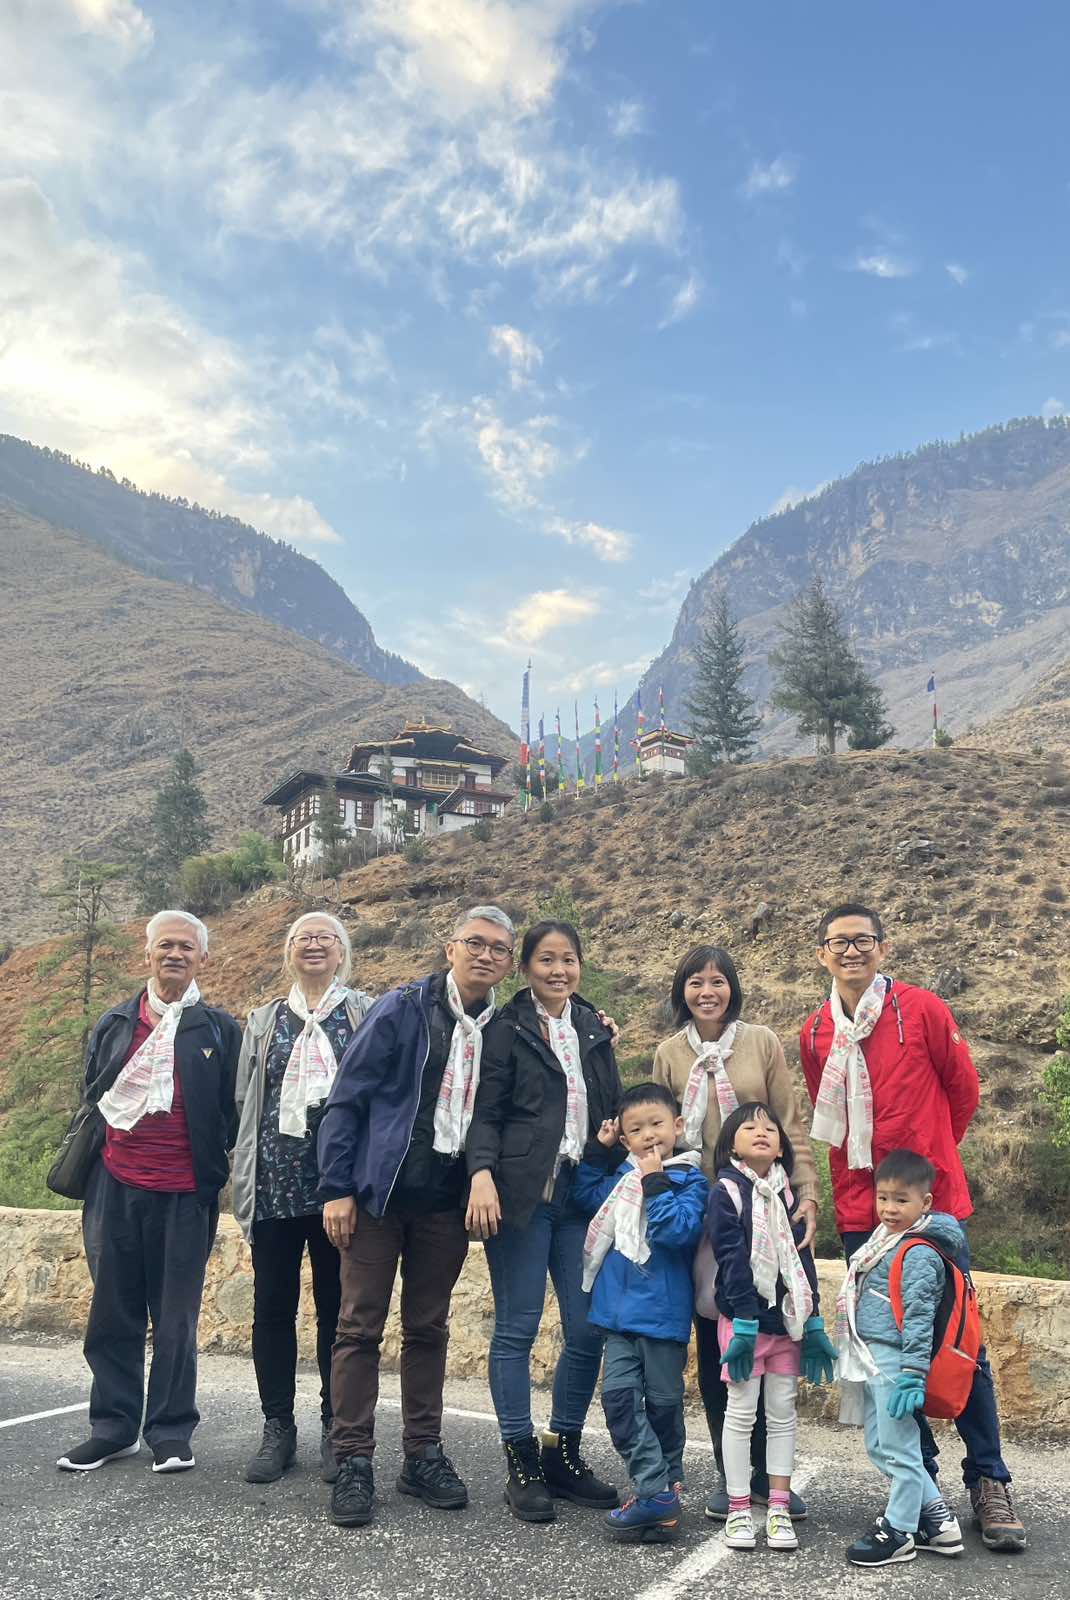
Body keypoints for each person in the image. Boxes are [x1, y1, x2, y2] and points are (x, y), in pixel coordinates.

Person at [800, 902, 1026, 1552]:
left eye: (862, 940)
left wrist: (927, 1163)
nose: (851, 951)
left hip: (933, 1206)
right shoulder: (815, 1031)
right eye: (838, 942)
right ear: (821, 954)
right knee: (886, 1349)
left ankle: (989, 1479)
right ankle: (922, 1490)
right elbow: (825, 1108)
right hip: (860, 1208)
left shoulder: (922, 1009)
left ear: (883, 947)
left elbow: (964, 1091)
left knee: (959, 1340)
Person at [316, 906, 516, 1528]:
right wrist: (337, 1187)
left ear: (509, 963)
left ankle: (422, 1454)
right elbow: (347, 1098)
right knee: (359, 1328)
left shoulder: (503, 1027)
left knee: (428, 1329)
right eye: (475, 943)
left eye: (498, 949)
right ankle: (352, 1458)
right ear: (450, 948)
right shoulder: (401, 1009)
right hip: (378, 1196)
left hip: (446, 1204)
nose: (485, 955)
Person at [57, 910, 240, 1475]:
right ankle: (113, 1428)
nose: (175, 954)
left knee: (176, 1318)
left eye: (186, 946)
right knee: (113, 1313)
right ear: (148, 954)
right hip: (114, 1186)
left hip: (186, 1193)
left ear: (203, 958)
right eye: (165, 945)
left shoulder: (218, 1029)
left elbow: (233, 1110)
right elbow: (92, 1093)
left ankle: (170, 1430)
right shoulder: (115, 1023)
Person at [652, 944, 819, 1521]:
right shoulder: (669, 1054)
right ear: (682, 991)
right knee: (718, 1342)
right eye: (695, 982)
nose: (707, 992)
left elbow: (789, 1123)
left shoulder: (761, 1043)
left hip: (766, 1208)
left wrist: (807, 1193)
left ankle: (773, 1478)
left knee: (771, 1336)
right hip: (701, 1213)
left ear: (732, 988)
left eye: (717, 981)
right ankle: (733, 1478)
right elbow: (661, 1131)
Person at [465, 919, 624, 1523]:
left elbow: (609, 1105)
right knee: (518, 1327)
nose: (559, 970)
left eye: (569, 959)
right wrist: (481, 1173)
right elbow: (486, 1111)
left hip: (581, 1198)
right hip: (522, 1197)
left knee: (586, 1330)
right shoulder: (505, 1029)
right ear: (526, 967)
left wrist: (611, 1148)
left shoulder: (593, 1028)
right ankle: (521, 1461)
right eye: (546, 960)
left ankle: (562, 1451)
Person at [232, 912, 373, 1486]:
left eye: (324, 938)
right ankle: (277, 1427)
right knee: (272, 1310)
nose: (313, 945)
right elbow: (245, 1100)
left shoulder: (364, 1013)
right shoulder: (263, 1021)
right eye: (301, 938)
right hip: (274, 1187)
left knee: (337, 1313)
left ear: (342, 952)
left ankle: (335, 1428)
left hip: (339, 1190)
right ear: (288, 952)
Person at [572, 1081, 709, 1543]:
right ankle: (655, 1491)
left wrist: (654, 1182)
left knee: (664, 1407)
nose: (649, 1135)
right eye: (636, 1129)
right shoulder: (620, 1180)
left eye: (656, 1124)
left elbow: (678, 1230)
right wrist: (599, 1150)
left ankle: (665, 1493)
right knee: (620, 1404)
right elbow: (585, 1195)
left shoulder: (690, 1180)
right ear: (625, 1138)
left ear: (678, 1126)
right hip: (615, 1318)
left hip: (663, 1317)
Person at [705, 1102, 835, 1552]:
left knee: (782, 1413)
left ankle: (778, 1506)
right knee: (741, 1413)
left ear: (781, 1147)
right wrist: (744, 1322)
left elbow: (802, 1258)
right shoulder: (727, 1191)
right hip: (744, 1323)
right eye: (748, 1126)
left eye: (770, 1128)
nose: (761, 1131)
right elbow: (731, 1259)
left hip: (786, 1322)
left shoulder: (788, 1194)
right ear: (731, 1144)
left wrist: (813, 1319)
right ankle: (739, 1507)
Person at [837, 1150, 966, 1567]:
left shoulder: (918, 1251)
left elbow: (919, 1317)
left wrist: (912, 1374)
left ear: (925, 1202)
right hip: (873, 1355)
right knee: (880, 1445)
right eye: (883, 1198)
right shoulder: (884, 1240)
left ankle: (899, 1531)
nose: (890, 1208)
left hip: (895, 1361)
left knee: (900, 1447)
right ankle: (940, 1525)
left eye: (901, 1200)